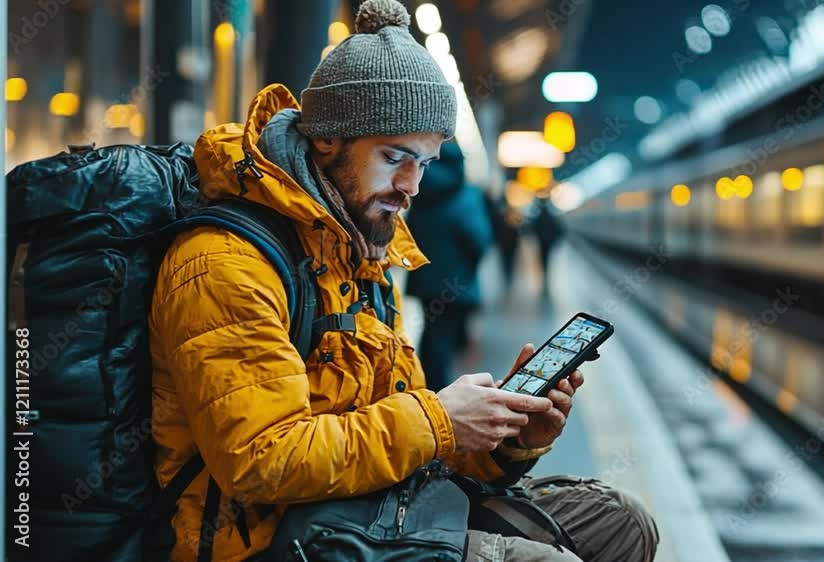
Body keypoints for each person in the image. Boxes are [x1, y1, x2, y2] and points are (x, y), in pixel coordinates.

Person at [148, 1, 658, 560]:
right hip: (272, 538)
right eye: (395, 157)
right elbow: (260, 462)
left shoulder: (360, 255)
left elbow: (410, 435)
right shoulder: (226, 263)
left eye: (425, 163)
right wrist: (439, 418)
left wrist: (505, 438)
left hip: (365, 508)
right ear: (328, 140)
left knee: (624, 523)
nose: (411, 185)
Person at [405, 141, 493, 391]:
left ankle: (430, 389)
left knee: (433, 338)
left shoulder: (419, 191)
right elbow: (479, 238)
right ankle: (443, 399)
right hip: (458, 283)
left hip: (426, 282)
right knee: (448, 342)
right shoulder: (465, 194)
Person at [532, 198, 564, 297]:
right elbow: (558, 229)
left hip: (542, 241)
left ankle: (544, 271)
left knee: (542, 257)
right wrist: (556, 240)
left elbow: (534, 228)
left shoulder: (538, 215)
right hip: (549, 241)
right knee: (547, 258)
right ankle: (546, 272)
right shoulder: (552, 215)